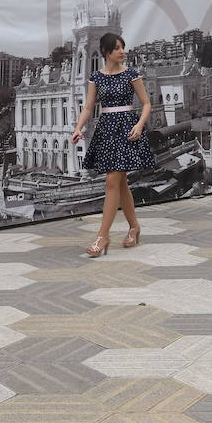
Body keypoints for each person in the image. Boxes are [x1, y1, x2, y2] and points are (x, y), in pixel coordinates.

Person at [70, 32, 155, 257]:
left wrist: (139, 125)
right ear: (107, 52)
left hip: (127, 128)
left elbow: (146, 104)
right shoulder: (96, 77)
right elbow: (89, 107)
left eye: (123, 47)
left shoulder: (131, 74)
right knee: (120, 183)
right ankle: (134, 227)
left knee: (111, 182)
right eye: (117, 48)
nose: (122, 51)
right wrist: (78, 127)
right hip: (107, 128)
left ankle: (102, 236)